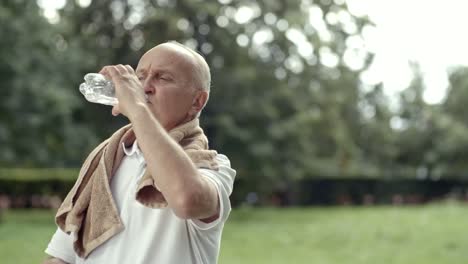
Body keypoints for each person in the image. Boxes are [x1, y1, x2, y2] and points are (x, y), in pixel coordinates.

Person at [43, 41, 236, 264]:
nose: (144, 88)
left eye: (163, 78)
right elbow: (63, 256)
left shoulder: (212, 165)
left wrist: (137, 109)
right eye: (140, 77)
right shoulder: (106, 160)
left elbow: (186, 200)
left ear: (197, 102)